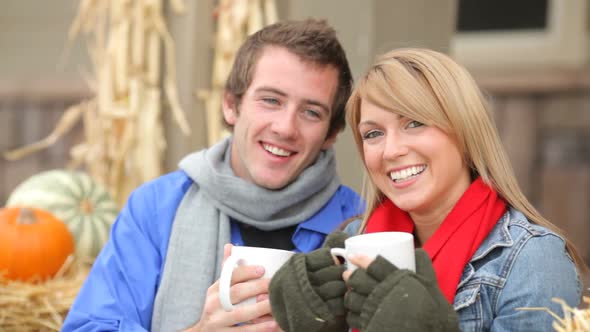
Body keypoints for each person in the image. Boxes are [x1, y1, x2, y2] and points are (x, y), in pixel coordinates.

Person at [62, 19, 363, 332]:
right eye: (271, 100)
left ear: (331, 134)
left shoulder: (360, 224)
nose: (285, 127)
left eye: (311, 112)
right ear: (231, 106)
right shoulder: (155, 209)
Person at [269, 48, 584, 332]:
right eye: (373, 133)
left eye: (414, 123)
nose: (390, 150)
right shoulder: (355, 238)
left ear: (464, 131)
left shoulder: (533, 260)